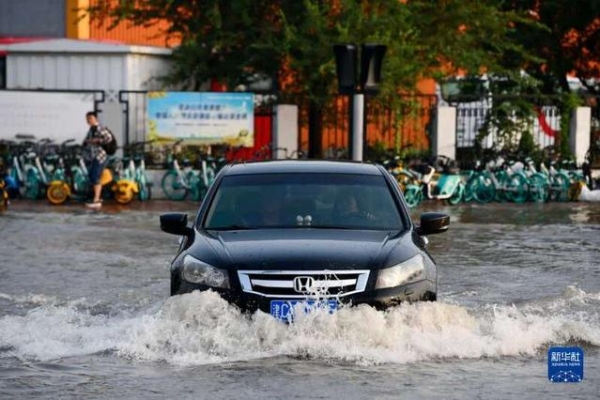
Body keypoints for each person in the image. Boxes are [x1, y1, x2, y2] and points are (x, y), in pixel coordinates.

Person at [83, 111, 113, 209]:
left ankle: (97, 200)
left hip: (101, 156)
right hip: (94, 156)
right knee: (92, 176)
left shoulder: (100, 128)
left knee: (95, 176)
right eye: (87, 119)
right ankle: (95, 198)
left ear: (95, 119)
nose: (88, 120)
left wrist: (96, 140)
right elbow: (88, 142)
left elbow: (109, 138)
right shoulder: (91, 129)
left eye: (90, 118)